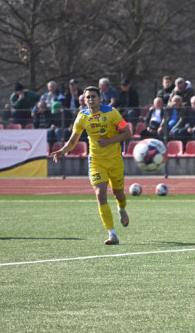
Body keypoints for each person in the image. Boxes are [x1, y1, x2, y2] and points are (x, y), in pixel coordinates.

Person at [50, 86, 133, 244]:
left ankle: (122, 209)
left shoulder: (111, 112)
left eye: (93, 96)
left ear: (100, 98)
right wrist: (62, 150)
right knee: (100, 195)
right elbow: (73, 140)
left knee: (119, 195)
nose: (90, 99)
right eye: (87, 97)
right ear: (84, 99)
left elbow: (127, 133)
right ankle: (112, 234)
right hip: (96, 161)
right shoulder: (82, 116)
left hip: (115, 161)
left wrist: (109, 141)